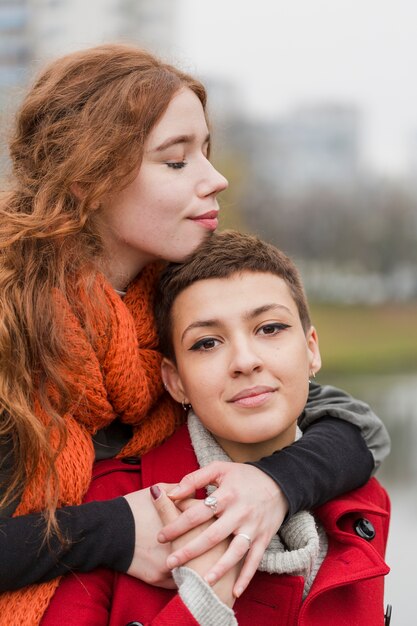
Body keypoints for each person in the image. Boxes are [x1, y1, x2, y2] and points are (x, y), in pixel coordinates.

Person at [0, 44, 389, 625]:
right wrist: (114, 530)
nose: (217, 178)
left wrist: (272, 484)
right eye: (176, 161)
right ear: (88, 179)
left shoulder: (173, 300)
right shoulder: (15, 331)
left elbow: (353, 429)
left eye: (205, 150)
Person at [41, 230, 390, 626]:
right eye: (207, 343)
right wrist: (202, 605)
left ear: (311, 350)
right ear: (175, 381)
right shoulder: (106, 501)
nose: (245, 360)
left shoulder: (364, 499)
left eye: (270, 328)